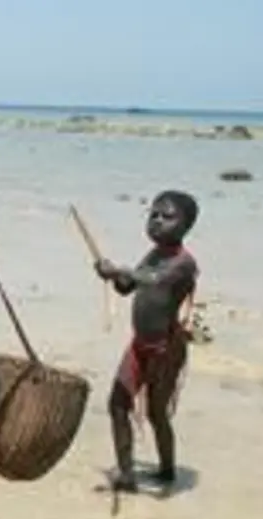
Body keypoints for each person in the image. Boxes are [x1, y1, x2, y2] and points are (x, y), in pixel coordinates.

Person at [94, 190, 200, 492]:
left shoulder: (184, 263)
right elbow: (127, 287)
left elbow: (155, 279)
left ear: (186, 225)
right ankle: (126, 475)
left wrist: (120, 270)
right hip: (140, 344)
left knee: (157, 413)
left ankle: (167, 471)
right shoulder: (153, 255)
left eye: (167, 216)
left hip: (166, 349)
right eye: (153, 214)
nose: (157, 220)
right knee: (117, 404)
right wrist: (111, 275)